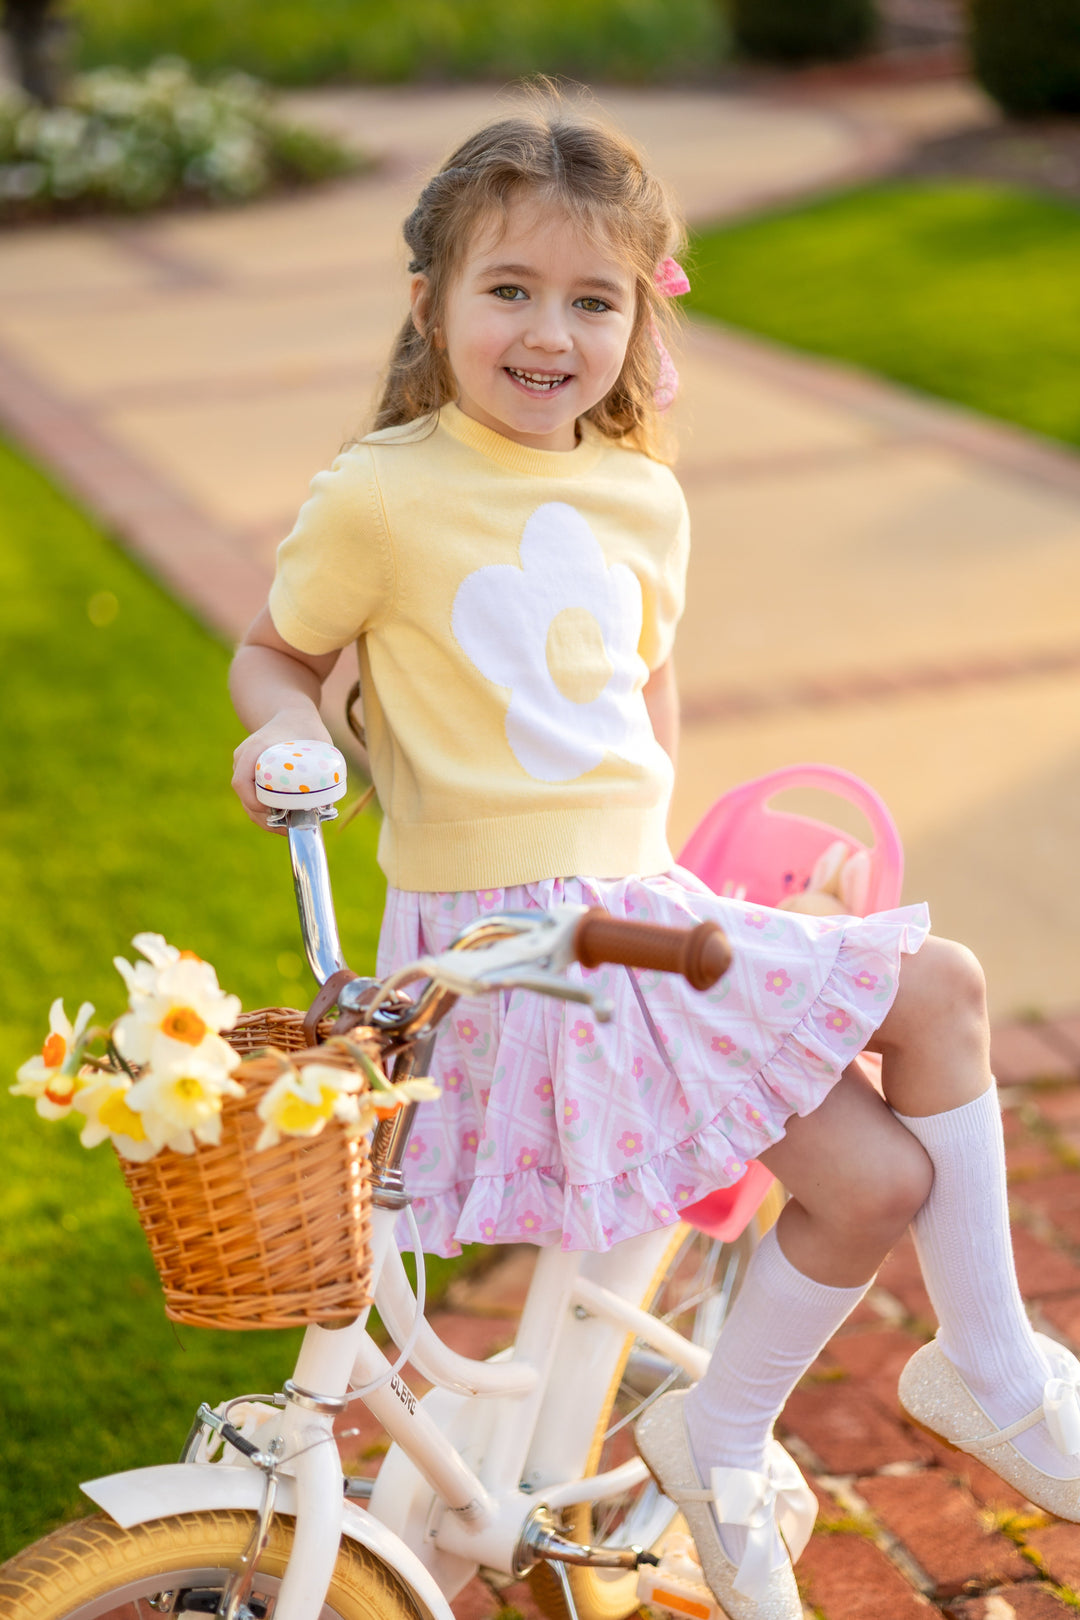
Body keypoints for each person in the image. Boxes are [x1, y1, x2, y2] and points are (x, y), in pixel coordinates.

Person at [229, 95, 1080, 1620]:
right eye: (511, 289)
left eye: (593, 299)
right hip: (510, 955)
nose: (550, 332)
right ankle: (994, 1374)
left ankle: (720, 1427)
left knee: (878, 1176)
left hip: (632, 921)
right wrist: (275, 737)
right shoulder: (384, 490)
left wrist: (704, 892)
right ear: (430, 300)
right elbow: (271, 652)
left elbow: (641, 710)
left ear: (637, 317)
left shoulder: (640, 497)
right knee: (940, 983)